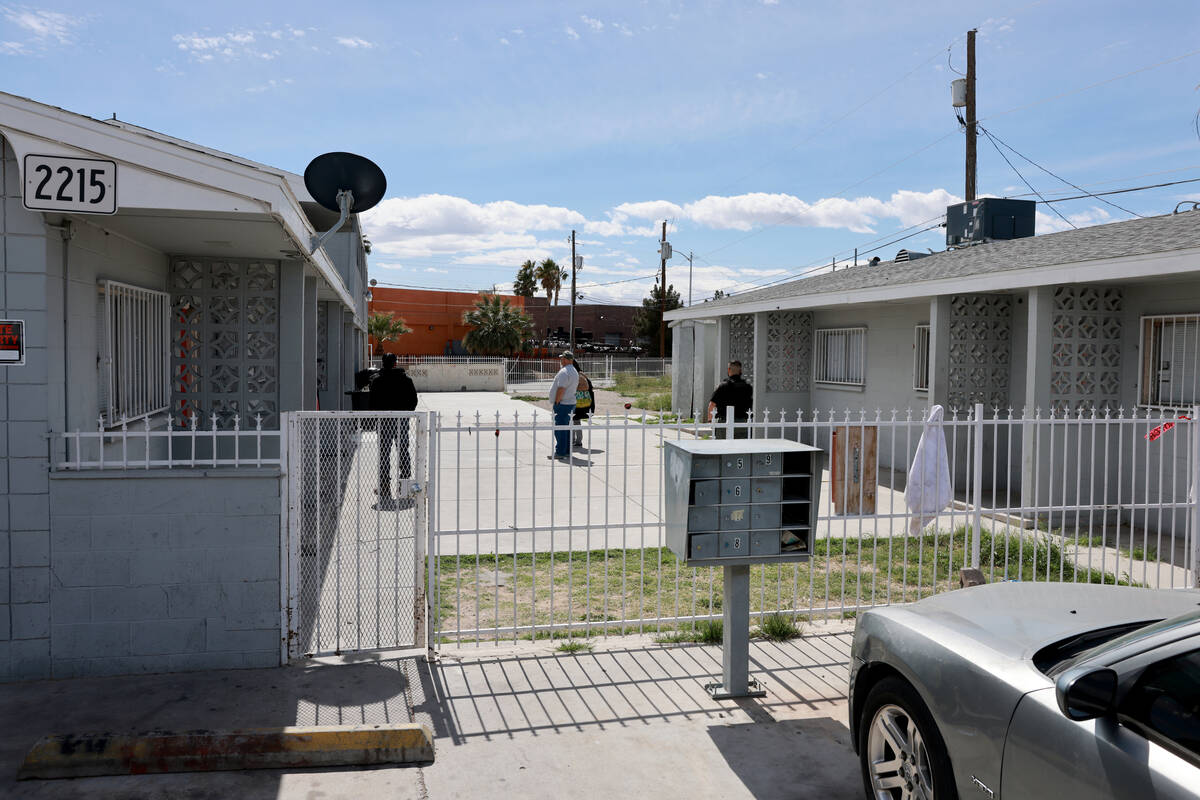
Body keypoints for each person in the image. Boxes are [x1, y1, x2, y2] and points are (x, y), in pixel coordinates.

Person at [370, 352, 419, 498]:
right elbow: (413, 400)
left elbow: (372, 402)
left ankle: (384, 487)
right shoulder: (406, 380)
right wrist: (405, 413)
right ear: (396, 363)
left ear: (382, 363)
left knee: (384, 453)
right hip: (401, 420)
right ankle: (403, 486)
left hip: (383, 421)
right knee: (403, 450)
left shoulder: (377, 380)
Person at [707, 360, 753, 439]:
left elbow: (712, 404)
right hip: (743, 423)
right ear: (740, 371)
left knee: (723, 449)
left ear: (728, 370)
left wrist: (710, 420)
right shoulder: (748, 387)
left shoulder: (722, 386)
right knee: (741, 449)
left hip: (724, 423)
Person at [547, 350, 578, 460]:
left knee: (560, 428)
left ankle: (560, 452)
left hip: (563, 403)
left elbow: (561, 388)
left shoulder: (564, 371)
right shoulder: (574, 371)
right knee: (567, 428)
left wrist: (557, 401)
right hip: (570, 403)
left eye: (562, 358)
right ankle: (566, 451)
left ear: (566, 359)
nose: (561, 360)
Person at [571, 357, 595, 448]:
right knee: (575, 421)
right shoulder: (583, 375)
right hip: (583, 402)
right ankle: (575, 440)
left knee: (575, 420)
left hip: (577, 402)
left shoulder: (577, 375)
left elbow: (582, 388)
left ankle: (576, 441)